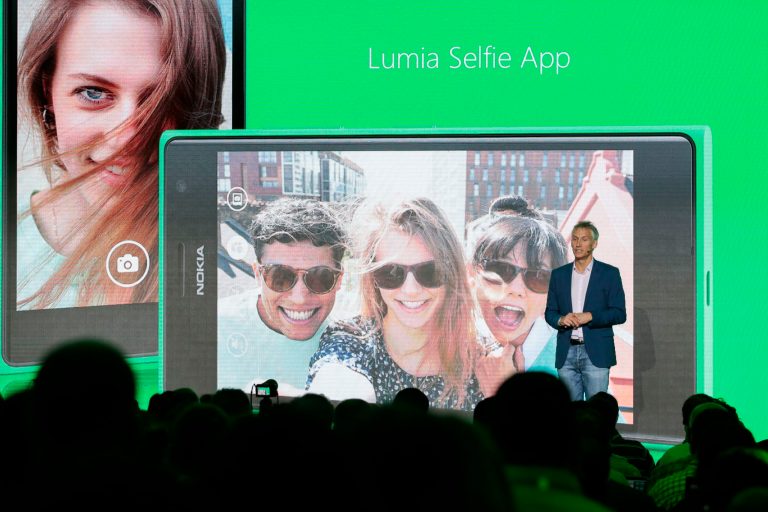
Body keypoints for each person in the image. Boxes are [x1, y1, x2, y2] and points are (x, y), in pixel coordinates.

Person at [16, 0, 227, 309]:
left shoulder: (239, 265)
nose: (127, 139)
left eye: (164, 102)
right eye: (93, 93)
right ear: (48, 93)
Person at [307, 198, 482, 410]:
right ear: (372, 277)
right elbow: (338, 380)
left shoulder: (482, 358)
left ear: (451, 272)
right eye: (391, 273)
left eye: (429, 272)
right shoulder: (351, 339)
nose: (411, 289)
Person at [217, 198, 347, 396]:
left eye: (320, 277)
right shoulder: (212, 329)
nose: (300, 299)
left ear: (339, 280)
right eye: (281, 277)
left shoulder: (357, 334)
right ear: (258, 275)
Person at [469, 214, 568, 396]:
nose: (515, 289)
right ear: (472, 274)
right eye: (500, 269)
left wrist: (501, 395)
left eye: (538, 276)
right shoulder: (449, 344)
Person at [545, 220, 626, 401]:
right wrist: (560, 320)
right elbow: (550, 312)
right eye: (574, 239)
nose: (578, 244)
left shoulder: (609, 273)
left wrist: (590, 316)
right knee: (569, 415)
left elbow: (619, 313)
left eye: (584, 239)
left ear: (594, 244)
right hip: (566, 353)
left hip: (596, 352)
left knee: (596, 413)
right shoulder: (559, 275)